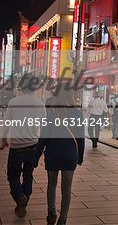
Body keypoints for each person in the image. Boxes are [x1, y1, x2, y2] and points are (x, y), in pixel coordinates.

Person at [33, 89, 85, 225]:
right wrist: (80, 157)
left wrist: (36, 157)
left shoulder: (51, 113)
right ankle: (63, 220)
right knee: (66, 190)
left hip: (53, 154)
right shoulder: (78, 114)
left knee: (52, 184)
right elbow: (80, 139)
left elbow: (43, 138)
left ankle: (51, 214)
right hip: (69, 155)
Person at [0, 75, 46, 218]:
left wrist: (3, 140)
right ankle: (24, 198)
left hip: (17, 146)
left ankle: (20, 197)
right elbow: (44, 127)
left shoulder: (14, 102)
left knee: (13, 175)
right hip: (33, 144)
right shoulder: (40, 104)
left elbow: (7, 123)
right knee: (28, 174)